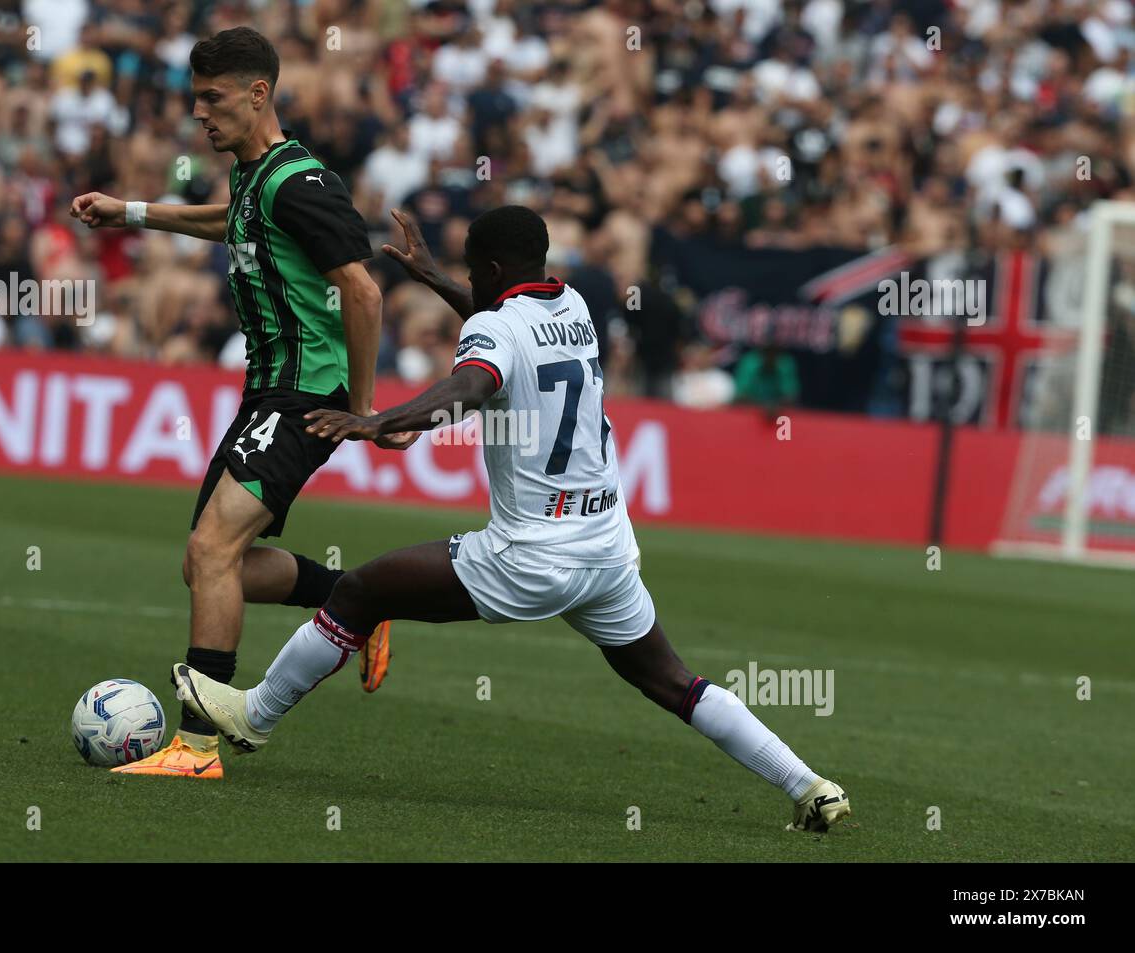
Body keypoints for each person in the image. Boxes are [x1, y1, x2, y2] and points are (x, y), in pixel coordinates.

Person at [171, 205, 852, 832]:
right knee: (673, 680)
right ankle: (810, 785)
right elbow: (504, 336)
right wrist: (436, 277)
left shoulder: (493, 329)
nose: (468, 278)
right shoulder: (574, 304)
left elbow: (473, 382)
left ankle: (254, 716)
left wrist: (377, 420)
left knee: (359, 591)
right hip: (607, 551)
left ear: (493, 270)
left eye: (471, 269)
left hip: (530, 555)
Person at [68, 27, 412, 779]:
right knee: (209, 567)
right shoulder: (256, 182)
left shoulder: (300, 181)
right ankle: (354, 601)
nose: (200, 114)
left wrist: (362, 406)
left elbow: (361, 288)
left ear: (259, 94)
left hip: (304, 393)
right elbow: (226, 222)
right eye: (196, 100)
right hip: (269, 392)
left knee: (212, 551)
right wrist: (128, 211)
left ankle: (197, 747)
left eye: (213, 99)